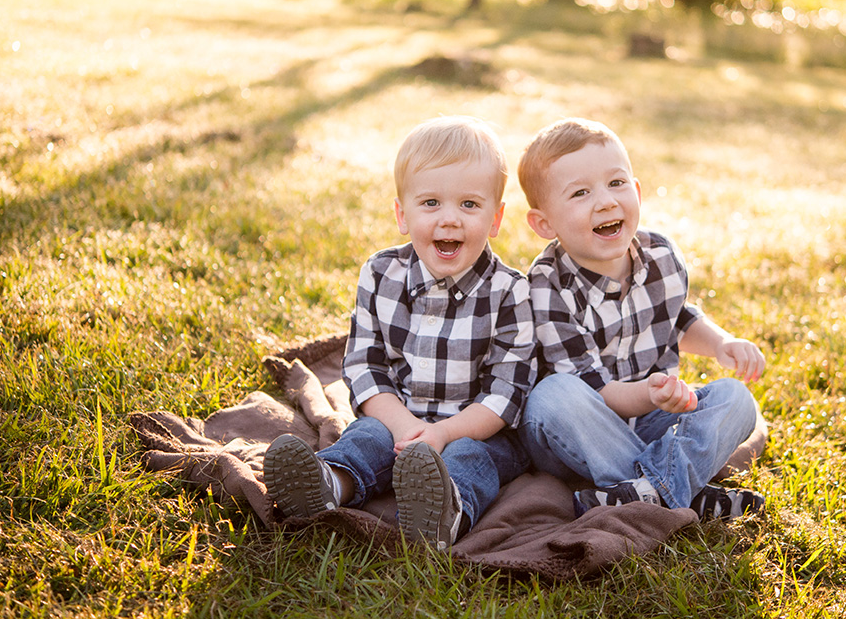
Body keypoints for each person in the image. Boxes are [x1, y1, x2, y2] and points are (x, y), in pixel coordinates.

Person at [263, 116, 536, 550]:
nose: (450, 219)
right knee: (366, 438)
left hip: (477, 430)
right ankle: (327, 484)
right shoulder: (381, 273)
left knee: (472, 460)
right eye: (431, 203)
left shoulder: (510, 291)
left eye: (469, 204)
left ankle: (444, 513)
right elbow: (365, 366)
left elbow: (507, 393)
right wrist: (405, 426)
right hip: (398, 416)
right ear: (402, 214)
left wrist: (443, 435)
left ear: (496, 218)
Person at [516, 117, 767, 519]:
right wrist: (650, 394)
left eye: (616, 183)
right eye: (580, 192)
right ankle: (681, 489)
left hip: (650, 419)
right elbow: (595, 390)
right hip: (578, 431)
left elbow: (675, 318)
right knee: (554, 395)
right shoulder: (547, 285)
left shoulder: (660, 255)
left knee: (736, 400)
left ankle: (645, 493)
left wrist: (721, 343)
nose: (605, 201)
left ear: (636, 191)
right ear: (545, 223)